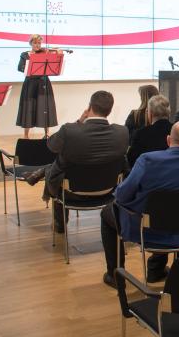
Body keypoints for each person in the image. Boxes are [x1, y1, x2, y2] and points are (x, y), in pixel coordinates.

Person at [100, 120, 179, 286]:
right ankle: (156, 270)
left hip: (147, 230)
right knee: (171, 212)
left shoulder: (147, 161)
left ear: (168, 140)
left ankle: (115, 275)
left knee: (107, 213)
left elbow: (123, 196)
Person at [27, 91, 129, 233]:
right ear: (110, 110)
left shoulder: (69, 131)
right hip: (108, 190)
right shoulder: (122, 132)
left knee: (58, 169)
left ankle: (59, 224)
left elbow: (51, 145)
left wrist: (79, 121)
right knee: (60, 166)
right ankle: (44, 171)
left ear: (89, 108)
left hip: (72, 192)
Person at [16, 34, 59, 139]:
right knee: (29, 107)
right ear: (31, 43)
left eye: (39, 43)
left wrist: (55, 53)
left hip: (43, 83)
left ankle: (47, 134)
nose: (37, 45)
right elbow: (20, 68)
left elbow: (53, 63)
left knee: (44, 107)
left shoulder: (44, 53)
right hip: (30, 84)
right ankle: (26, 135)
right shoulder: (25, 55)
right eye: (35, 43)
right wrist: (29, 64)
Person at [126, 95, 173, 167]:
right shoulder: (177, 131)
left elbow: (131, 160)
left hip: (148, 175)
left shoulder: (141, 134)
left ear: (150, 113)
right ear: (169, 112)